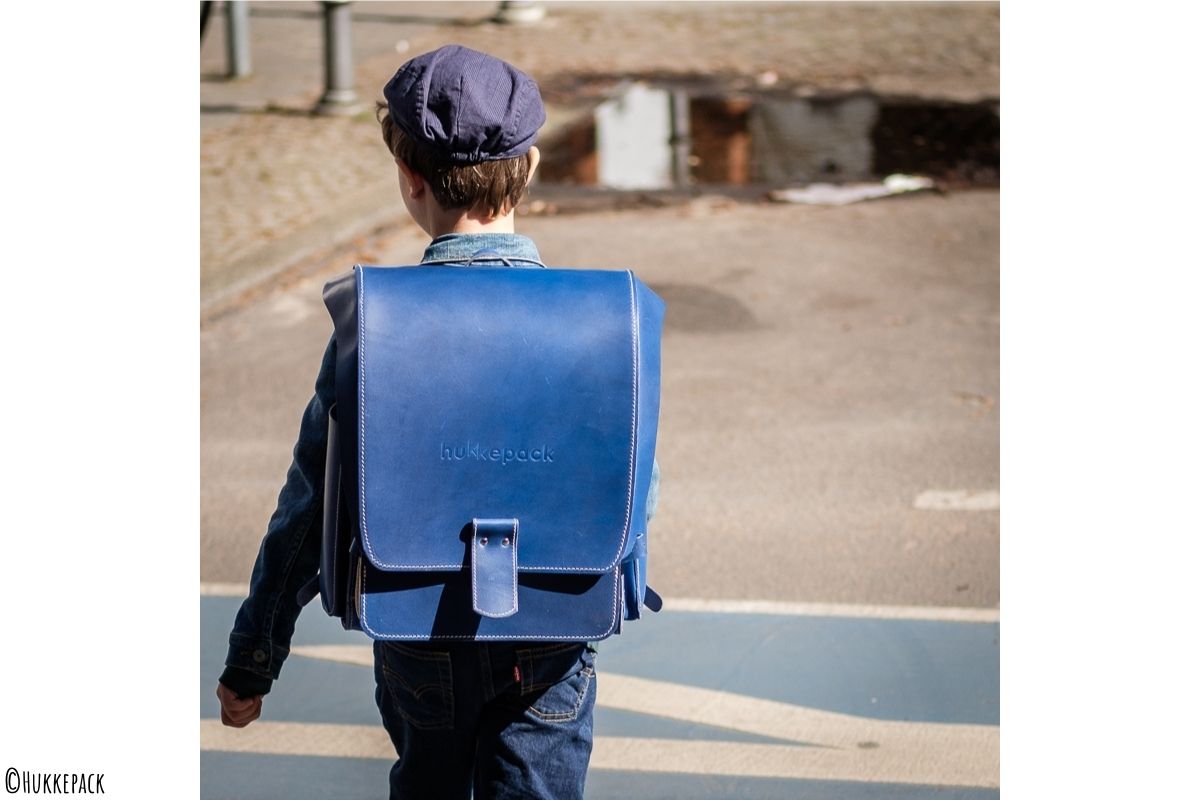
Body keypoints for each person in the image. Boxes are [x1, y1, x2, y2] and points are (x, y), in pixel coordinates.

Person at [215, 45, 659, 800]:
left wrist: (254, 657)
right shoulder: (610, 318)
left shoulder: (372, 323)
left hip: (418, 630)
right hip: (553, 629)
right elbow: (636, 489)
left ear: (408, 179)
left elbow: (310, 504)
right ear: (534, 164)